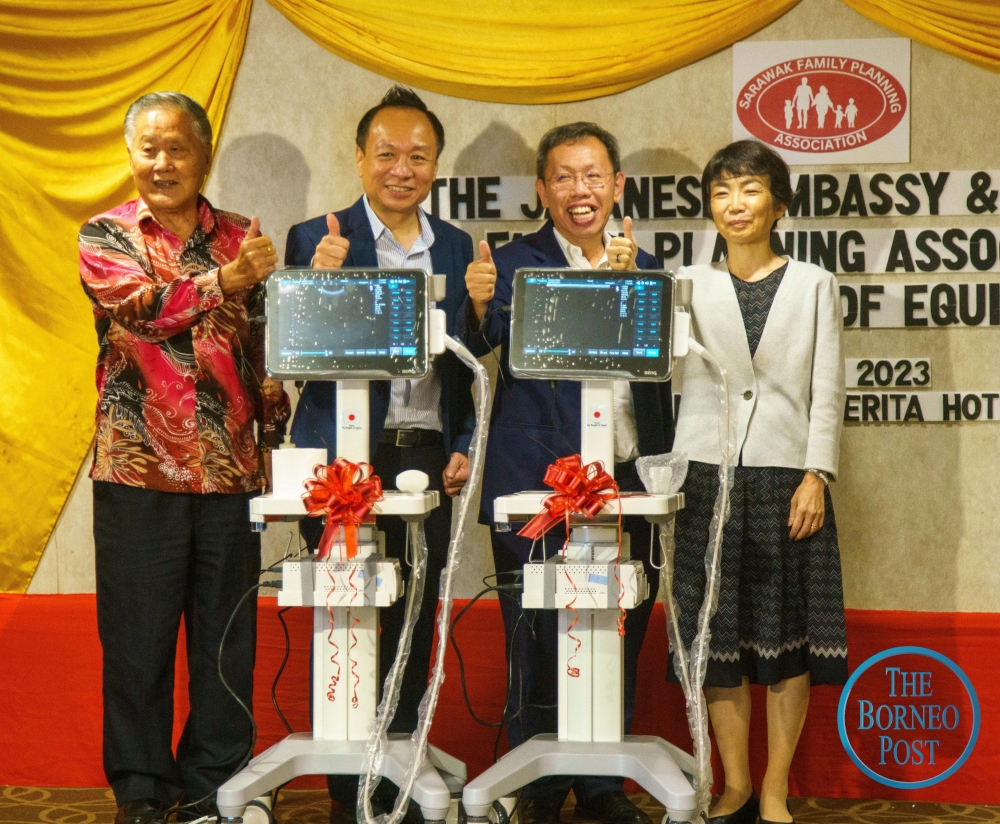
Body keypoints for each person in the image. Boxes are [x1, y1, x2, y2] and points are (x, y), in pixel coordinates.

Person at [78, 92, 290, 824]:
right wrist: (226, 281)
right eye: (149, 149)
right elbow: (142, 310)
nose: (162, 163)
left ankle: (215, 786)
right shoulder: (105, 235)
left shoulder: (242, 236)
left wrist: (280, 415)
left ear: (205, 153)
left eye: (178, 149)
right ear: (131, 154)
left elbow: (262, 350)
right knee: (136, 644)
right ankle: (141, 790)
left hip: (230, 471)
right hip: (139, 472)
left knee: (226, 642)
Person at [459, 122, 674, 824]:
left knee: (622, 625)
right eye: (563, 177)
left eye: (593, 176)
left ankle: (605, 785)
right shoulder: (512, 261)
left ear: (616, 185)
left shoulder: (646, 266)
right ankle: (540, 785)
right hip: (536, 478)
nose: (579, 191)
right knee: (535, 629)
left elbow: (671, 372)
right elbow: (477, 344)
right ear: (544, 189)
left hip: (629, 477)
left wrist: (625, 283)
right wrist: (481, 302)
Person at [285, 85, 476, 824]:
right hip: (340, 461)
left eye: (418, 155)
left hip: (423, 454)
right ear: (360, 157)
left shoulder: (457, 248)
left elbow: (463, 366)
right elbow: (293, 361)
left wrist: (462, 444)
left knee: (414, 613)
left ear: (435, 165)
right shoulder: (317, 237)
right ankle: (347, 790)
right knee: (345, 614)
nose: (403, 168)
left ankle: (397, 766)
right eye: (387, 153)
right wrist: (316, 285)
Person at [668, 140, 847, 824]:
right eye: (721, 191)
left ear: (776, 201)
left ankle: (774, 789)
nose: (734, 204)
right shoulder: (686, 283)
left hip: (784, 476)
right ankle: (735, 783)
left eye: (749, 189)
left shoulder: (814, 283)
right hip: (705, 477)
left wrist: (817, 474)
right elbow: (659, 376)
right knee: (717, 637)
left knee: (786, 635)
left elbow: (827, 391)